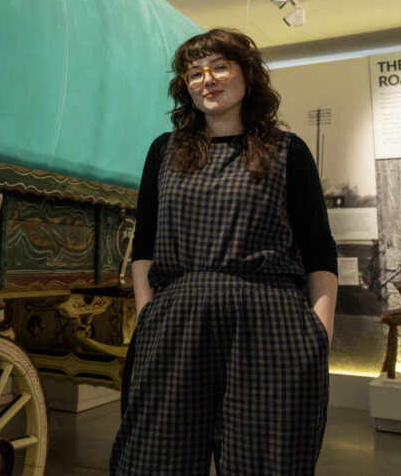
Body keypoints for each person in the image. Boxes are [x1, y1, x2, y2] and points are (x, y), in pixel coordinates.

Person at [110, 28, 337, 475]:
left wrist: (318, 335)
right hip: (178, 322)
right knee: (156, 458)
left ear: (247, 75)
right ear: (185, 86)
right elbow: (145, 245)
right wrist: (147, 313)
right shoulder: (165, 151)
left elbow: (319, 252)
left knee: (267, 461)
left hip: (270, 325)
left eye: (219, 67)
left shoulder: (287, 152)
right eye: (194, 73)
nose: (206, 80)